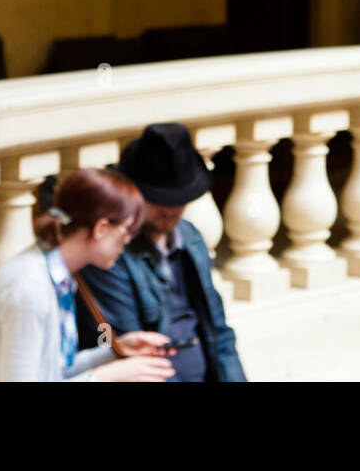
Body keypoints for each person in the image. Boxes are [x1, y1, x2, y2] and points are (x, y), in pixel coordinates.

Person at [0, 167, 177, 381]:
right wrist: (105, 376)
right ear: (101, 228)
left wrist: (114, 352)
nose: (128, 241)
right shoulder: (29, 289)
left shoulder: (55, 273)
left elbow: (54, 371)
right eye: (126, 230)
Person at [75, 123, 247, 381]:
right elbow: (127, 353)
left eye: (177, 198)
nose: (169, 208)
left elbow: (219, 332)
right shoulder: (110, 254)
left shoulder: (190, 237)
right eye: (157, 198)